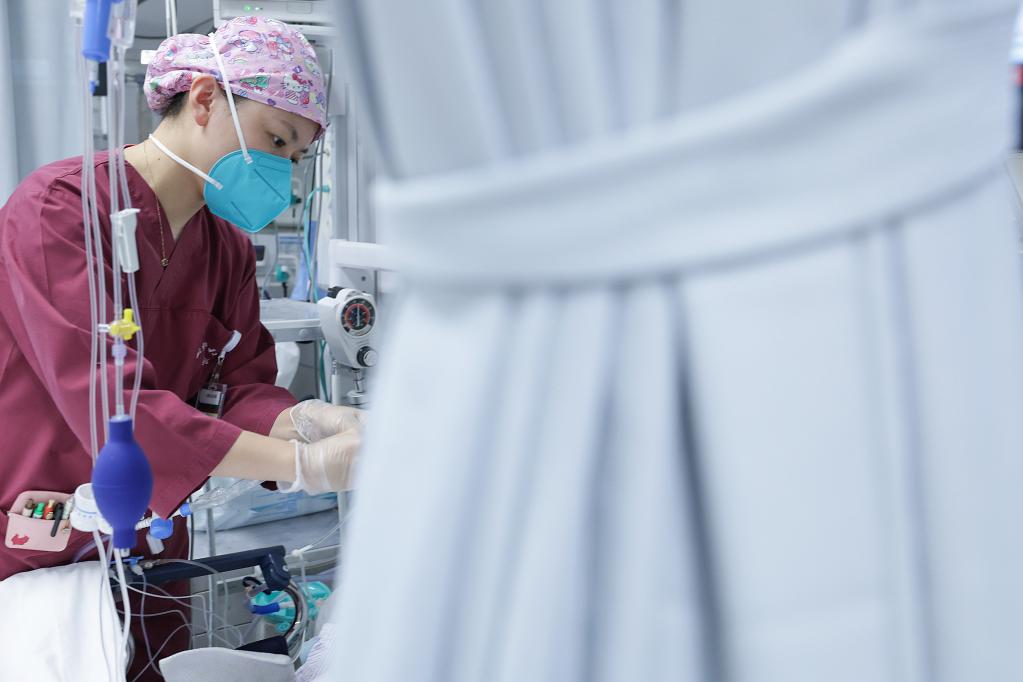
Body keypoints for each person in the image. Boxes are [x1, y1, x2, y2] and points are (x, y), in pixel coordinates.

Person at [0, 16, 358, 679]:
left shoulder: (225, 249)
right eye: (275, 139)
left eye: (295, 157)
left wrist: (309, 421)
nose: (281, 171)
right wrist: (301, 465)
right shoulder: (58, 209)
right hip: (36, 531)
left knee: (159, 665)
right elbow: (111, 401)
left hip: (154, 541)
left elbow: (239, 384)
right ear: (204, 97)